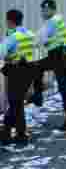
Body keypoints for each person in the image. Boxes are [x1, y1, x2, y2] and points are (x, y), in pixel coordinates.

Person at [31, 0, 66, 130]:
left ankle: (38, 96)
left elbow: (41, 39)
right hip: (60, 55)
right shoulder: (59, 20)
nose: (43, 12)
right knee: (64, 88)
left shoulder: (52, 22)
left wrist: (36, 43)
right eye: (42, 10)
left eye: (45, 10)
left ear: (52, 10)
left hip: (57, 56)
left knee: (37, 67)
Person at [1, 9, 35, 146]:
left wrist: (9, 58)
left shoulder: (13, 37)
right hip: (29, 71)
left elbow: (1, 53)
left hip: (16, 72)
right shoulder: (30, 34)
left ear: (10, 21)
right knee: (18, 103)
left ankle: (8, 134)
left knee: (15, 103)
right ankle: (19, 134)